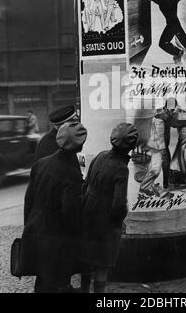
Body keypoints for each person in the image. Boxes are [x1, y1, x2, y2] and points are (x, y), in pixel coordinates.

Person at [21, 121, 88, 293]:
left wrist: (28, 225)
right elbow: (69, 212)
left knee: (42, 278)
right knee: (58, 279)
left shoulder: (41, 163)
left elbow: (29, 199)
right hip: (56, 235)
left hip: (36, 228)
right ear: (79, 147)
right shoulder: (70, 174)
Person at [80, 122, 138, 293]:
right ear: (131, 146)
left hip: (88, 214)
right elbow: (119, 204)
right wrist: (119, 222)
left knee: (86, 261)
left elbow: (86, 184)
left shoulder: (101, 155)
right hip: (105, 222)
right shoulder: (121, 168)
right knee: (101, 265)